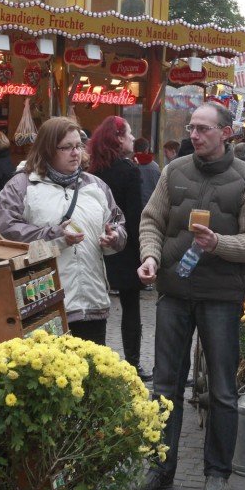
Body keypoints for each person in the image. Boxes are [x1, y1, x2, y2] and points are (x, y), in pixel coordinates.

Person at [133, 102, 245, 490]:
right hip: (174, 293)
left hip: (221, 298)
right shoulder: (173, 171)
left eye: (204, 128)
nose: (194, 134)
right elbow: (151, 221)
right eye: (192, 127)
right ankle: (160, 467)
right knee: (164, 385)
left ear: (226, 133)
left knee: (223, 389)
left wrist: (219, 243)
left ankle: (217, 472)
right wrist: (150, 257)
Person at [0, 117, 126, 345]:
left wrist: (114, 237)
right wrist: (55, 235)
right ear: (47, 148)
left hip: (91, 304)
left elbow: (117, 223)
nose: (75, 153)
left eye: (78, 146)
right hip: (43, 304)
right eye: (66, 147)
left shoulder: (96, 186)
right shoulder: (22, 185)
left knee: (90, 366)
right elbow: (4, 230)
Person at [86, 116, 150, 380]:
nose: (133, 138)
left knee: (95, 307)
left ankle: (95, 362)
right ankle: (133, 363)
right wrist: (142, 251)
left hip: (96, 244)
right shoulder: (129, 171)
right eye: (129, 134)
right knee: (130, 306)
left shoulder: (92, 170)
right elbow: (134, 216)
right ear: (118, 138)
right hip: (124, 247)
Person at [132, 137, 161, 206]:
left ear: (134, 149)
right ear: (147, 150)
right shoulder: (156, 168)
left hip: (133, 206)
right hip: (152, 206)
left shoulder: (129, 166)